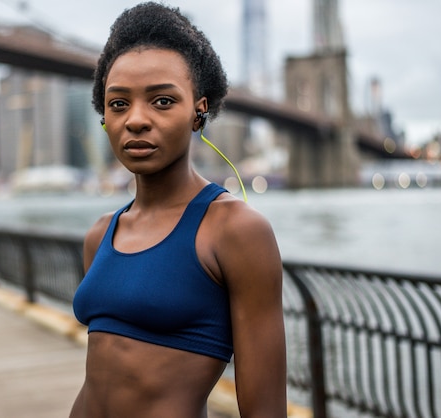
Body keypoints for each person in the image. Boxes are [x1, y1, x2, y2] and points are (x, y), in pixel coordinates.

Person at [71, 3, 286, 417]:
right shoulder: (100, 235)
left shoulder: (235, 231)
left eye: (163, 101)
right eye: (118, 104)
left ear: (198, 112)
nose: (136, 120)